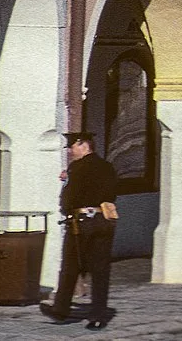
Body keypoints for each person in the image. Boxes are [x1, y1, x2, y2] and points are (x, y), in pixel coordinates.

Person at [43, 133, 119, 330]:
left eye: (73, 147)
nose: (70, 151)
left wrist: (68, 185)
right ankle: (98, 316)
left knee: (71, 266)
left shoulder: (77, 167)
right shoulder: (107, 166)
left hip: (82, 222)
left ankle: (61, 309)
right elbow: (112, 192)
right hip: (104, 220)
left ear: (84, 146)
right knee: (101, 270)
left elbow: (70, 197)